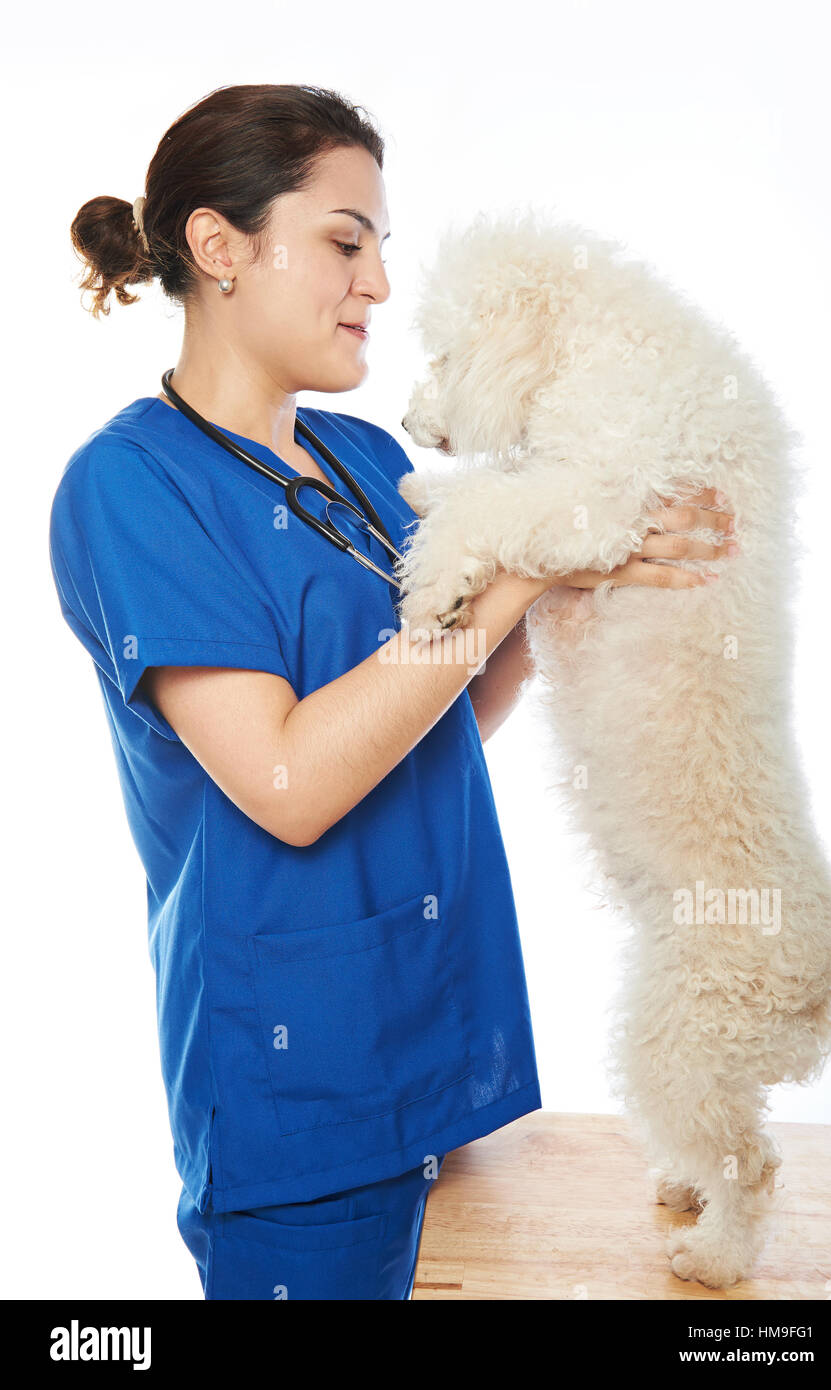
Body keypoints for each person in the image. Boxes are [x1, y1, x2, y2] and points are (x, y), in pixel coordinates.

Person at [50, 83, 733, 1301]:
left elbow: (443, 722)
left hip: (446, 1055)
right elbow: (293, 780)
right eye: (344, 241)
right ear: (220, 248)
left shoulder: (368, 462)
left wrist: (594, 555)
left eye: (379, 250)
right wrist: (523, 554)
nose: (376, 286)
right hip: (296, 1097)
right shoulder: (129, 488)